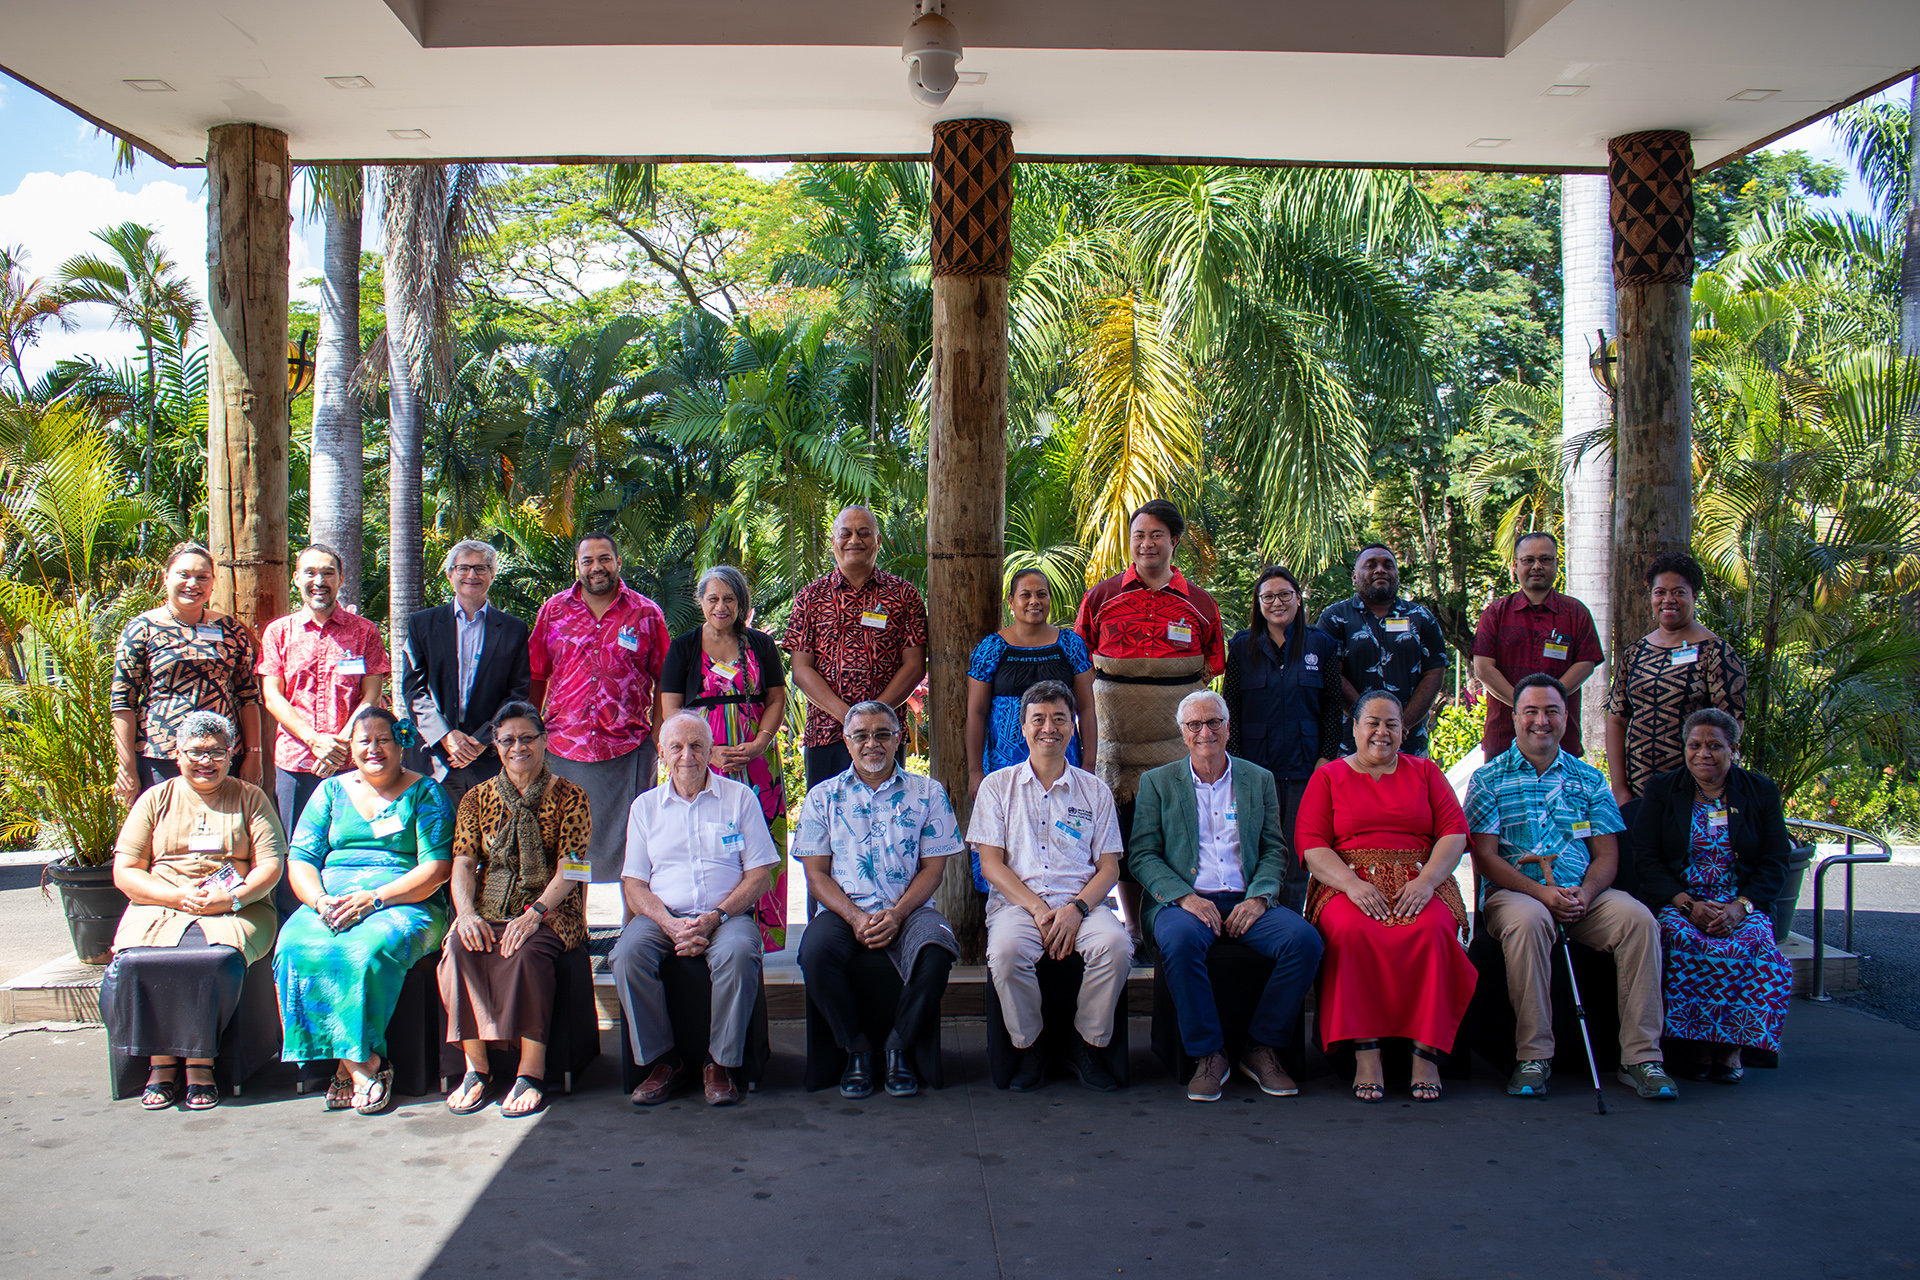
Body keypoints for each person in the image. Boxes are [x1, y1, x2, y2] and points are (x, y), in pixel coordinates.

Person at [1465, 675, 1678, 1102]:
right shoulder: (1489, 779)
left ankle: (1641, 1058)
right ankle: (1534, 1055)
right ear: (1515, 716)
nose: (1541, 721)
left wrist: (1586, 893)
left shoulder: (1590, 779)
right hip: (1518, 895)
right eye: (1531, 711)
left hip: (1584, 896)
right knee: (1529, 923)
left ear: (1567, 717)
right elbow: (1485, 858)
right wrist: (1541, 894)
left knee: (1639, 921)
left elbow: (1607, 856)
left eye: (1551, 712)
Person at [1128, 690, 1323, 1102]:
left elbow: (1274, 849)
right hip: (1185, 902)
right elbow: (1143, 855)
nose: (1206, 732)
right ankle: (1208, 1054)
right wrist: (1184, 897)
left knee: (1304, 941)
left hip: (1245, 898)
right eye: (1195, 725)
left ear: (1228, 727)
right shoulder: (1157, 782)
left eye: (1214, 722)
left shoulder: (1258, 779)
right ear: (1182, 733)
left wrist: (1259, 897)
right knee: (1179, 941)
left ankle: (1262, 1047)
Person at [1294, 690, 1476, 1103]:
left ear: (1404, 731)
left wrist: (1428, 881)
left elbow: (1454, 833)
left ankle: (1425, 1055)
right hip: (1348, 881)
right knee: (1352, 931)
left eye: (1392, 724)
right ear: (1355, 728)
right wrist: (1352, 885)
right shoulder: (1329, 777)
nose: (1382, 731)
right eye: (1372, 723)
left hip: (1420, 878)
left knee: (1432, 930)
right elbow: (1311, 844)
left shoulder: (1426, 772)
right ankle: (1366, 1054)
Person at [100, 711, 284, 1111]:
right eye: (196, 752)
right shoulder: (155, 798)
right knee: (137, 960)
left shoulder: (251, 797)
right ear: (177, 754)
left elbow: (270, 866)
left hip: (238, 907)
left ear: (232, 754)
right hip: (161, 903)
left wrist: (231, 900)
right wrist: (174, 897)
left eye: (217, 752)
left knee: (215, 959)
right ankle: (161, 1063)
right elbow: (126, 871)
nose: (206, 761)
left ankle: (200, 1063)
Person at [275, 707, 454, 1114]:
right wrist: (319, 900)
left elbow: (437, 869)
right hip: (332, 898)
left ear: (400, 744)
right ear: (351, 748)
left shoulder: (425, 792)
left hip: (405, 899)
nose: (374, 749)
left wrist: (374, 899)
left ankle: (351, 1065)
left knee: (365, 949)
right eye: (364, 741)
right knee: (293, 944)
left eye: (383, 739)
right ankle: (364, 1064)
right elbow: (301, 858)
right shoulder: (329, 791)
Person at [1073, 498, 1225, 938]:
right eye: (1138, 535)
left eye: (1157, 535)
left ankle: (1174, 925)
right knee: (1121, 839)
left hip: (1177, 747)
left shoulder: (1200, 603)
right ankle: (1136, 931)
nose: (1146, 544)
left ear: (1174, 541)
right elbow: (1080, 660)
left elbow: (1212, 663)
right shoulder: (1101, 597)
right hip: (1116, 751)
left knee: (1175, 838)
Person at [795, 702, 962, 1100]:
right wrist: (854, 916)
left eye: (882, 734)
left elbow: (933, 871)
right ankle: (856, 1049)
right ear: (847, 742)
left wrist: (899, 913)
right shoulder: (823, 797)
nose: (872, 743)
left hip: (909, 907)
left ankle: (898, 1046)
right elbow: (816, 875)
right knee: (813, 953)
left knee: (937, 950)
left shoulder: (928, 793)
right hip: (843, 909)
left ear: (898, 738)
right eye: (861, 736)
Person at [612, 712, 778, 1108]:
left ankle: (719, 1063)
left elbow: (759, 875)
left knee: (740, 953)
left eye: (697, 746)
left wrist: (716, 917)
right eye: (677, 747)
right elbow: (634, 884)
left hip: (726, 915)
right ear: (662, 753)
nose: (687, 755)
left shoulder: (739, 798)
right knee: (626, 955)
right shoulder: (645, 807)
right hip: (662, 915)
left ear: (710, 750)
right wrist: (669, 923)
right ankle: (664, 1061)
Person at [969, 681, 1128, 1093]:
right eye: (1038, 719)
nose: (1049, 728)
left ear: (1072, 727)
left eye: (1059, 718)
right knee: (1006, 953)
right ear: (1022, 727)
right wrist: (1038, 910)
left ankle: (1086, 1043)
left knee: (1116, 947)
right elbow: (991, 865)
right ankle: (1031, 1045)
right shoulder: (997, 787)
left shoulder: (1095, 791)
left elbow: (1109, 868)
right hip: (1017, 906)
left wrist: (1076, 909)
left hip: (1082, 905)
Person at [440, 702, 591, 1118]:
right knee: (458, 948)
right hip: (489, 905)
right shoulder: (476, 798)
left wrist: (535, 913)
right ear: (496, 745)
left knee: (526, 952)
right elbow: (463, 863)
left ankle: (531, 1070)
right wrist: (466, 914)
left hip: (552, 908)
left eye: (527, 738)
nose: (518, 747)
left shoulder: (571, 795)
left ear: (544, 741)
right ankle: (476, 1067)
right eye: (508, 740)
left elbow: (573, 868)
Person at [1630, 708, 1794, 1083]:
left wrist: (1741, 907)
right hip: (1681, 903)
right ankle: (1697, 1046)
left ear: (1733, 750)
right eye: (1695, 745)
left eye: (1715, 746)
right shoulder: (1663, 789)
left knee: (1755, 943)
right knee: (1680, 939)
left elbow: (1776, 860)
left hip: (1741, 904)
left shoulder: (1760, 791)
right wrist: (1687, 904)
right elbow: (1646, 858)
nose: (1703, 753)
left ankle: (1733, 1047)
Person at [659, 565, 790, 950]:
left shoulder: (761, 645)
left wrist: (760, 743)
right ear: (701, 601)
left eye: (729, 599)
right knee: (706, 841)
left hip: (756, 761)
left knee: (760, 842)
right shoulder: (683, 647)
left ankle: (761, 936)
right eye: (713, 598)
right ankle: (699, 926)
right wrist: (706, 752)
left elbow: (776, 699)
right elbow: (671, 709)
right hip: (698, 761)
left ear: (741, 603)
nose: (721, 606)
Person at [529, 532, 670, 885]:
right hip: (564, 747)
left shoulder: (646, 613)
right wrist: (531, 733)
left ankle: (634, 918)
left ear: (618, 562)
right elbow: (536, 673)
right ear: (577, 566)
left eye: (604, 558)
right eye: (588, 560)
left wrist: (657, 735)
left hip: (629, 748)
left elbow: (665, 678)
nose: (597, 567)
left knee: (635, 848)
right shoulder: (553, 611)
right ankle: (571, 919)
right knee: (568, 845)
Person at [259, 543, 388, 874]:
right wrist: (315, 740)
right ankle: (295, 909)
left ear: (340, 579)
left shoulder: (364, 631)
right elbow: (272, 696)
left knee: (350, 847)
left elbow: (371, 694)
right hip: (296, 761)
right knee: (296, 850)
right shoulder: (278, 632)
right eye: (311, 573)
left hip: (352, 761)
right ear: (296, 578)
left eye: (328, 573)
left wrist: (340, 744)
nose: (319, 581)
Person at [1222, 563, 1343, 909]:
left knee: (1295, 855)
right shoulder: (1242, 646)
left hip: (1305, 771)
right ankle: (1252, 920)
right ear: (1258, 603)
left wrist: (1325, 759)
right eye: (1268, 597)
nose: (1277, 602)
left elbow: (1333, 708)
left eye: (1285, 595)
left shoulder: (1321, 644)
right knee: (1253, 851)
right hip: (1256, 770)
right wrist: (1236, 765)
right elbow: (1231, 710)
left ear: (1298, 598)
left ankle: (1290, 923)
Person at [783, 505, 928, 792]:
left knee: (888, 812)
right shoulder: (810, 597)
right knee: (827, 814)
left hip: (885, 735)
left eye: (864, 533)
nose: (854, 540)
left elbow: (914, 666)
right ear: (833, 542)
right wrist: (849, 718)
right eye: (846, 533)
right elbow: (801, 670)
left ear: (878, 541)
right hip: (827, 733)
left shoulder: (904, 595)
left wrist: (874, 719)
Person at [112, 541, 264, 805]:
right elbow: (123, 701)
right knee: (167, 825)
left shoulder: (230, 629)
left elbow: (248, 696)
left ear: (213, 583)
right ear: (166, 577)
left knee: (226, 825)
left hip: (222, 754)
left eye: (202, 577)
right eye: (184, 574)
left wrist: (253, 754)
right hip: (162, 755)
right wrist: (126, 766)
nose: (192, 584)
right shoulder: (142, 629)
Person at [1605, 551, 1748, 806]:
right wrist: (1619, 788)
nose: (1668, 600)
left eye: (1678, 592)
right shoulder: (1635, 653)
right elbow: (1617, 720)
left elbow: (1731, 727)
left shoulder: (1716, 653)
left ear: (1694, 596)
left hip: (1695, 793)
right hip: (1637, 794)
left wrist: (1711, 789)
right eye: (1660, 592)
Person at [402, 538, 533, 807]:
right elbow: (414, 689)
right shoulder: (422, 623)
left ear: (492, 575)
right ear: (450, 574)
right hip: (434, 758)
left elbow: (517, 694)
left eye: (481, 568)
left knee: (490, 832)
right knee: (434, 832)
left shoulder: (514, 629)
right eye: (463, 568)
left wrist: (483, 739)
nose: (472, 575)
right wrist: (445, 735)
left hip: (489, 759)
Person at [1470, 531, 1605, 760]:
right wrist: (1524, 705)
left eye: (1545, 559)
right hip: (1505, 738)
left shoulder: (1575, 613)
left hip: (1561, 739)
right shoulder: (1495, 614)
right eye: (1528, 560)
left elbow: (1586, 663)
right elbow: (1483, 669)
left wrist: (1548, 704)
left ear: (1556, 564)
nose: (1537, 566)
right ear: (1515, 565)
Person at [966, 568, 1097, 800]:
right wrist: (975, 772)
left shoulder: (1071, 645)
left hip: (1063, 762)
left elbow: (1086, 709)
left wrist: (1088, 766)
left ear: (1049, 599)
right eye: (1025, 595)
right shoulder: (991, 648)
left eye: (1041, 594)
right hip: (1004, 767)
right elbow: (976, 713)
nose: (1034, 601)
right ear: (1011, 601)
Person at [1316, 542, 1449, 757]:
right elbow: (1330, 673)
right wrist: (1368, 722)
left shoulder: (1421, 617)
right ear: (1354, 577)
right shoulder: (1334, 618)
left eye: (1388, 565)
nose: (1380, 570)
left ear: (1397, 575)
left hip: (1409, 744)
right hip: (1351, 746)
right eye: (1371, 565)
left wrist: (1400, 725)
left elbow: (1434, 671)